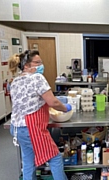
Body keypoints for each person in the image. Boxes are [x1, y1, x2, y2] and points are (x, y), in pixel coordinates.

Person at [8, 50, 71, 180]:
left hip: (16, 127)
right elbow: (52, 101)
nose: (41, 66)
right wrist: (65, 108)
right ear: (26, 65)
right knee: (55, 157)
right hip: (31, 128)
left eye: (41, 63)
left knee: (28, 159)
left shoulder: (14, 81)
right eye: (37, 63)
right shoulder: (37, 78)